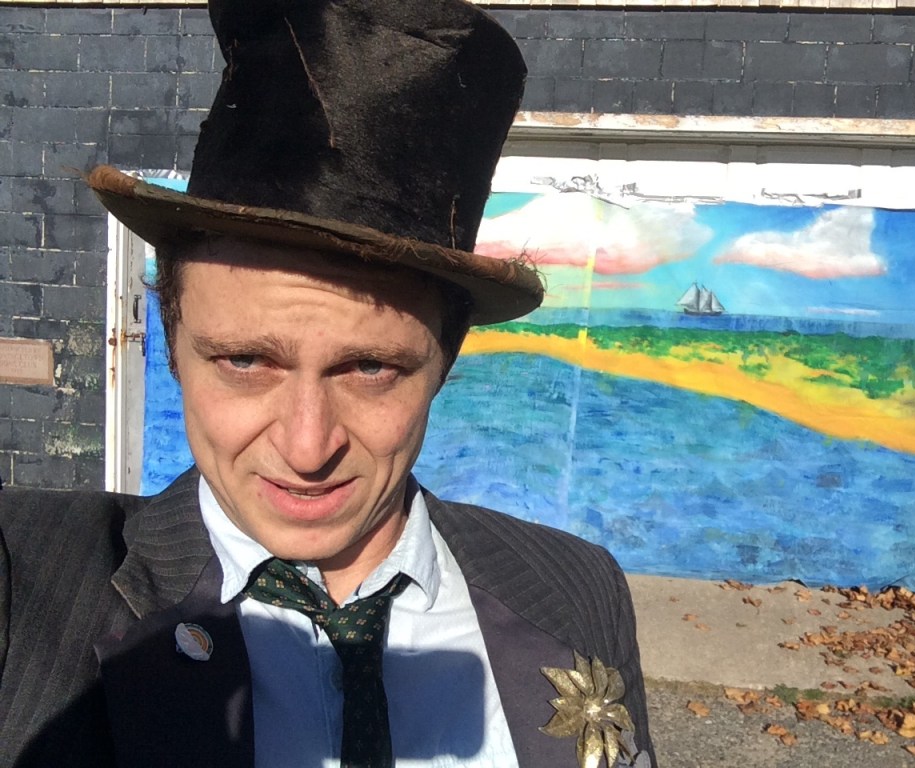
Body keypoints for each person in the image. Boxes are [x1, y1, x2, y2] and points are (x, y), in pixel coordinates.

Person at [0, 1, 655, 766]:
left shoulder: (579, 589)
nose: (307, 448)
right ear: (173, 341)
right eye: (245, 362)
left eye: (370, 368)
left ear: (445, 358)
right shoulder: (28, 575)